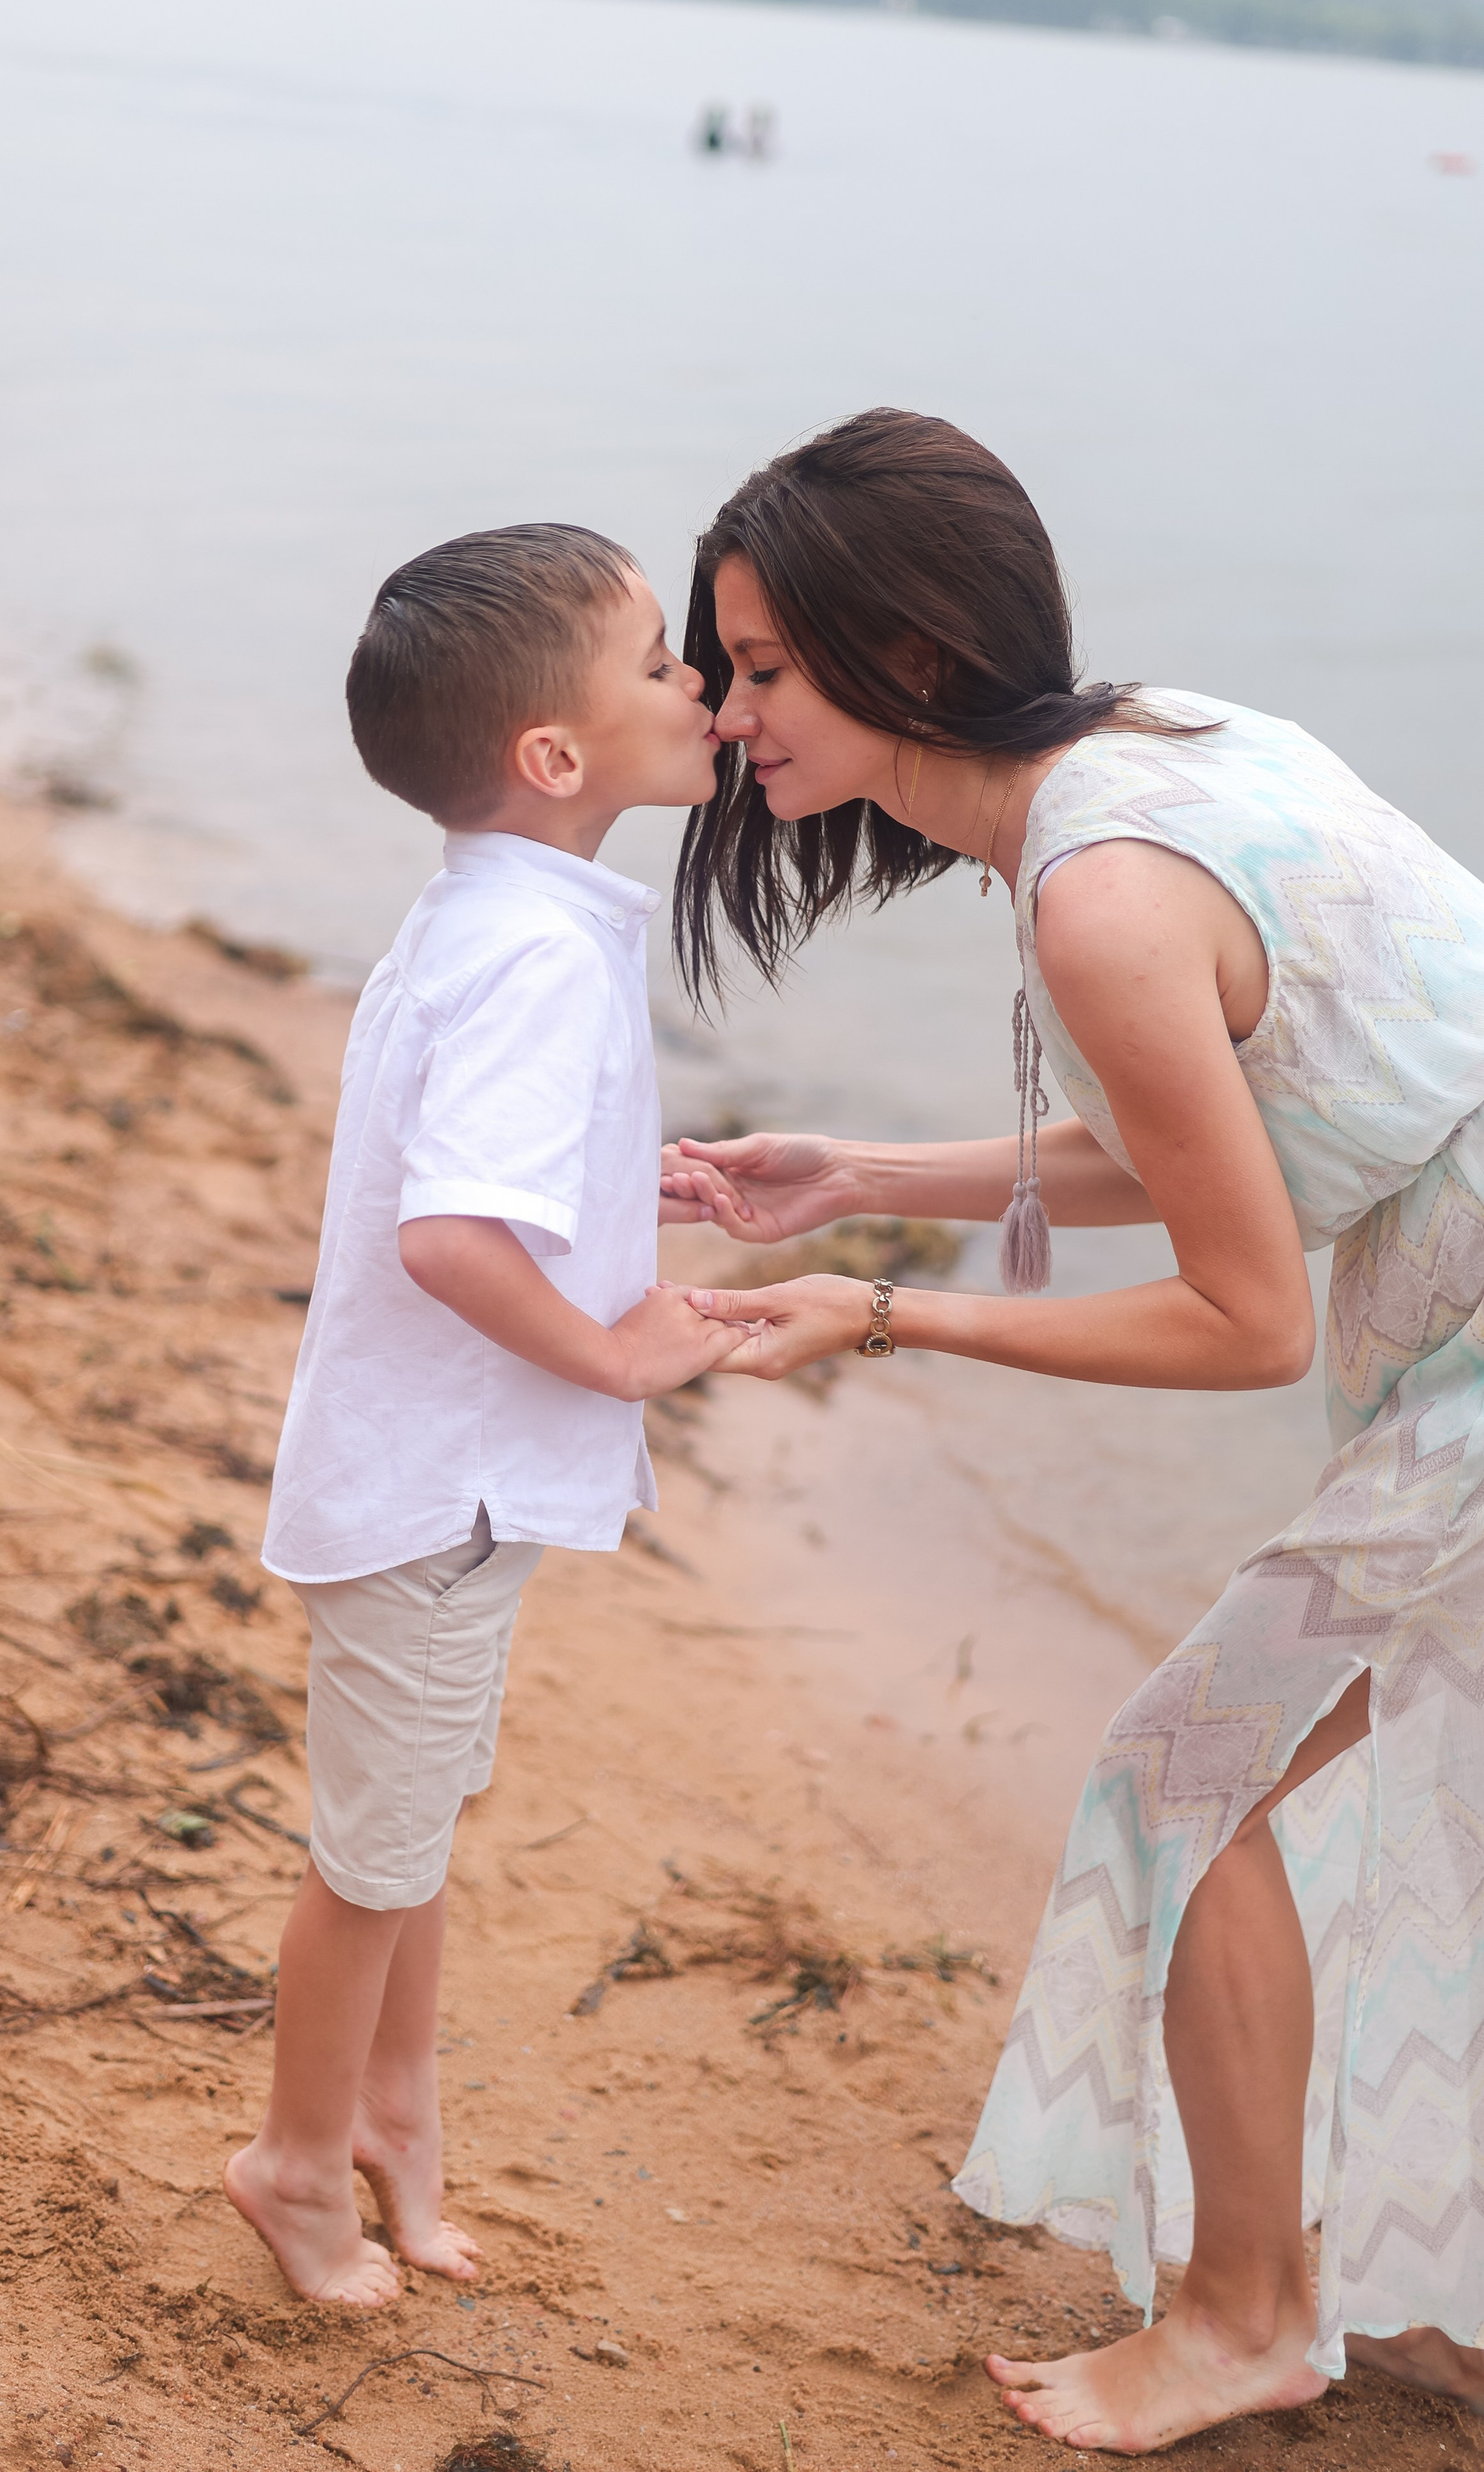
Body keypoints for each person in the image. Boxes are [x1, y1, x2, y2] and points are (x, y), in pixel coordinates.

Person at [660, 409, 1484, 2451]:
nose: (727, 710)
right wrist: (854, 1169)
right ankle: (1376, 2285)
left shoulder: (1100, 898)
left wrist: (873, 1310)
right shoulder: (1161, 748)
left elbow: (1235, 1308)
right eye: (725, 666)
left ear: (911, 652)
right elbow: (1240, 1135)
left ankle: (1246, 2314)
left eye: (762, 667)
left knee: (1186, 1770)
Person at [225, 524, 740, 2306]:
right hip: (438, 1496)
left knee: (414, 1826)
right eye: (664, 660)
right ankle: (294, 2166)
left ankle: (390, 2123)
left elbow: (474, 1187)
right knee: (374, 1858)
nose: (701, 686)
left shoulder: (494, 917)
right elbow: (451, 1233)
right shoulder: (538, 957)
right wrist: (616, 1355)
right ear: (556, 756)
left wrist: (623, 1189)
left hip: (435, 1486)